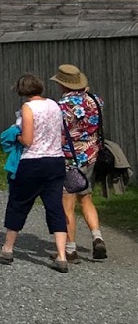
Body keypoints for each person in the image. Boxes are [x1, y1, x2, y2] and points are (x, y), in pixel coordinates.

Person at [0, 74, 70, 271]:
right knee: (55, 207)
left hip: (33, 162)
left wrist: (17, 135)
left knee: (18, 204)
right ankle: (61, 255)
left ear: (22, 91)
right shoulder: (54, 105)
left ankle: (7, 249)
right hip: (56, 161)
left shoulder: (28, 108)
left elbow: (28, 139)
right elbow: (61, 136)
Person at [53, 64, 108, 262]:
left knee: (67, 204)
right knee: (86, 198)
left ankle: (70, 249)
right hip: (92, 154)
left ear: (62, 85)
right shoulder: (95, 100)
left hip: (70, 157)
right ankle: (97, 237)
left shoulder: (61, 106)